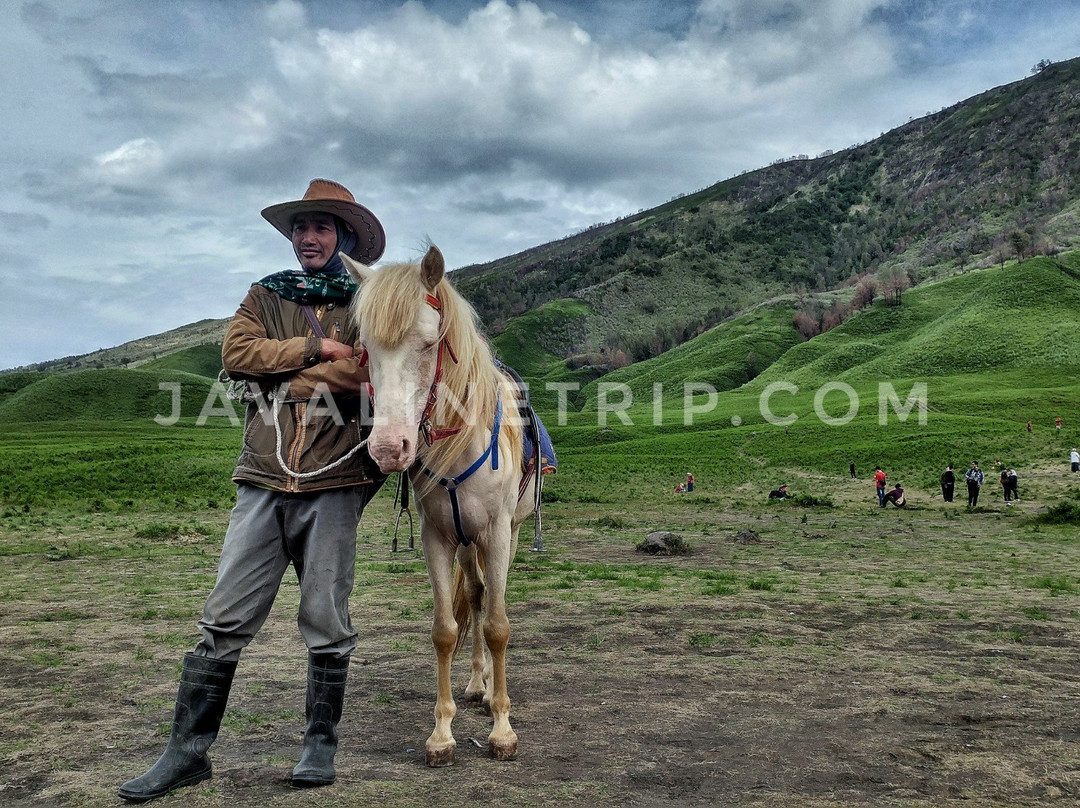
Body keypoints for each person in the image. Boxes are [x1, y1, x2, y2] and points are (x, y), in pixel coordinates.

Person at [119, 179, 388, 802]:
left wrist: (285, 379)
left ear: (344, 237)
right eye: (301, 227)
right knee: (224, 616)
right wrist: (317, 348)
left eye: (322, 227)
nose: (308, 238)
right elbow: (236, 352)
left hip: (336, 480)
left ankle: (319, 745)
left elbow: (368, 370)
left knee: (327, 615)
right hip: (262, 479)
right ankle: (187, 753)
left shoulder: (370, 301)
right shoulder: (266, 294)